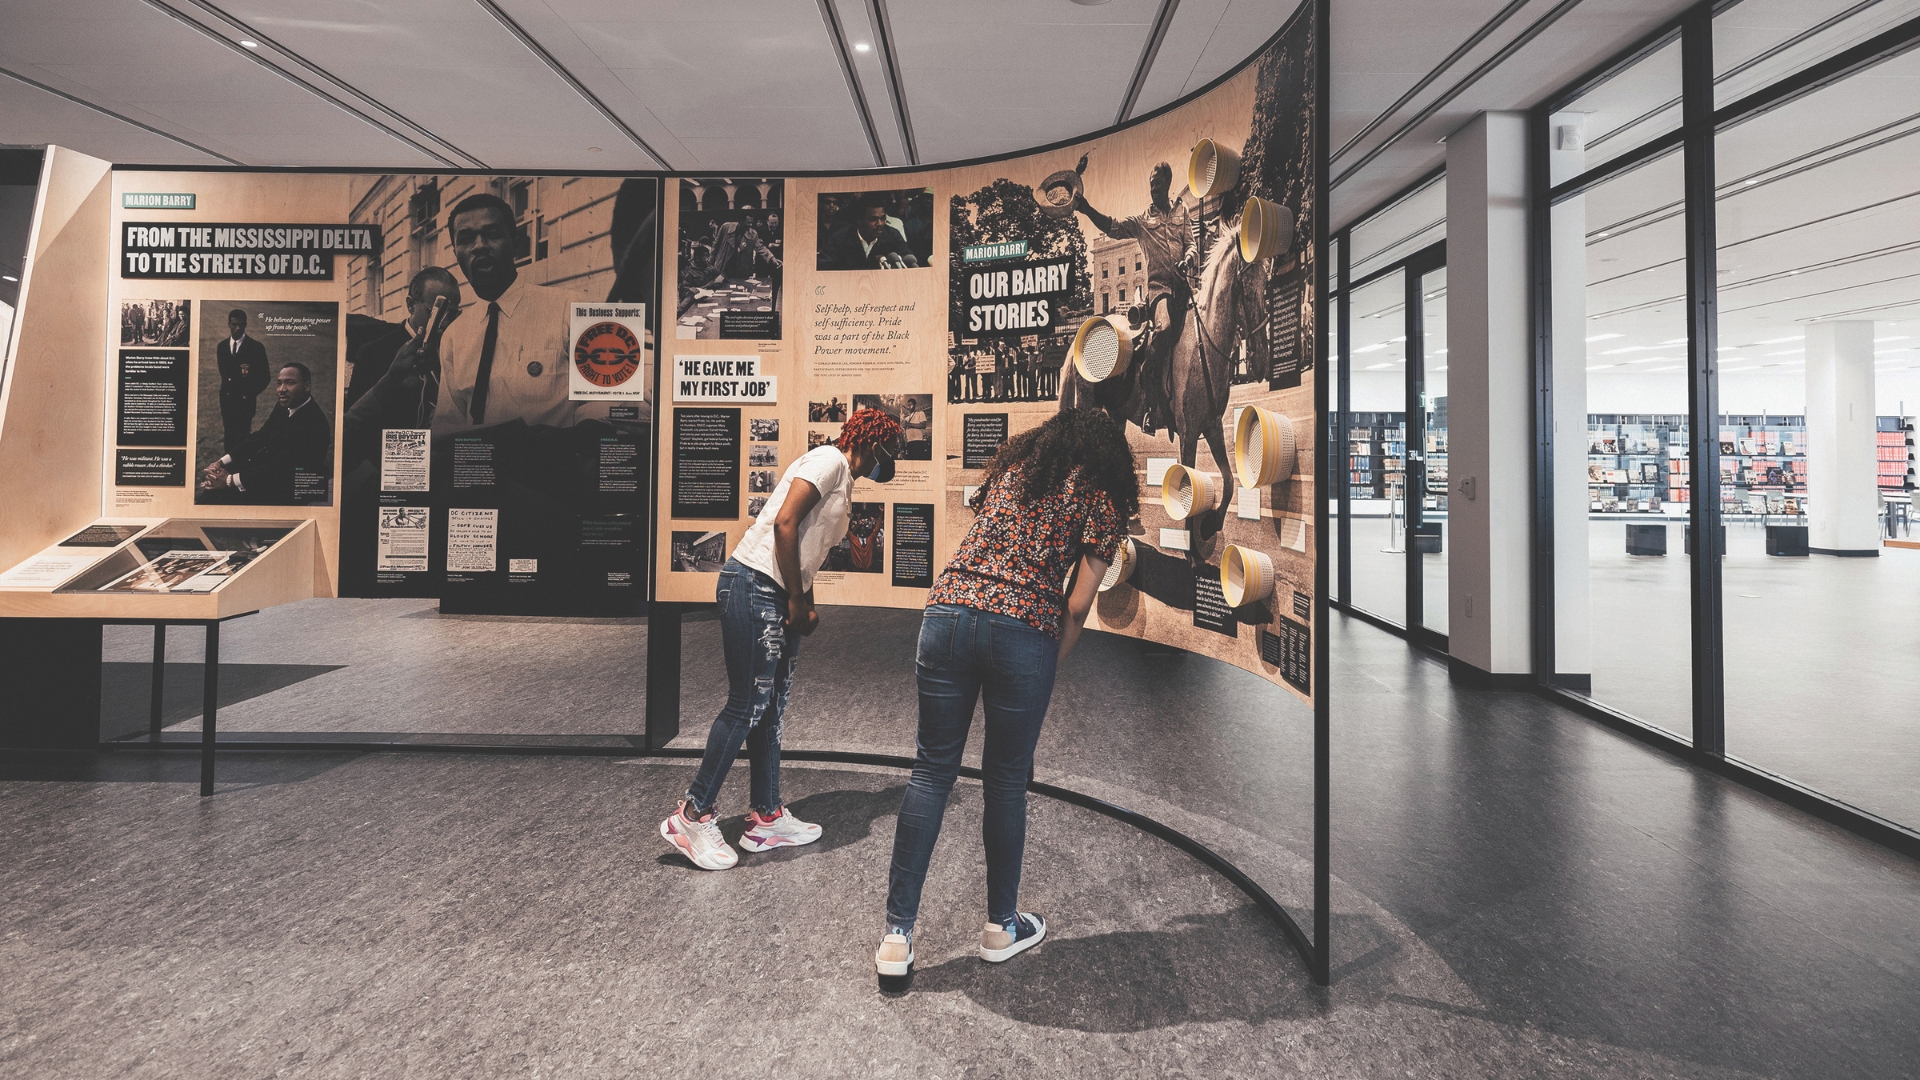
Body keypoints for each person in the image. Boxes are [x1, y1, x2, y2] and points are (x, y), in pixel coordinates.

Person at [875, 408, 1140, 978]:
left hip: (946, 613)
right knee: (1005, 782)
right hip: (1022, 628)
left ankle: (896, 937)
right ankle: (1001, 925)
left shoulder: (1017, 465)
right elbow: (1076, 606)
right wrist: (1043, 667)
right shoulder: (1101, 494)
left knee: (929, 773)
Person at [661, 407, 906, 871]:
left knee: (770, 708)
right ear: (872, 440)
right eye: (889, 449)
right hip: (754, 585)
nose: (888, 462)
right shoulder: (828, 460)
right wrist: (796, 599)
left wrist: (804, 600)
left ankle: (766, 817)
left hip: (776, 590)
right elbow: (784, 525)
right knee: (747, 704)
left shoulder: (844, 478)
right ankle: (692, 815)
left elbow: (807, 548)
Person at [1073, 162, 1197, 434]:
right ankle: (1151, 407)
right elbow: (1113, 227)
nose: (1154, 190)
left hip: (1185, 289)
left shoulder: (1182, 211)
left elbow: (1191, 245)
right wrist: (1086, 208)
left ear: (1168, 184)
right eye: (1151, 185)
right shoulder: (1142, 222)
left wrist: (1188, 259)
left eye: (1158, 185)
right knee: (1163, 331)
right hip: (1160, 292)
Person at [200, 362, 333, 504]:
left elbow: (281, 469)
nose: (282, 389)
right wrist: (221, 462)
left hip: (288, 490)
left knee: (217, 496)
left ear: (307, 386)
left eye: (290, 383)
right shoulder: (286, 405)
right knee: (213, 487)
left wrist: (229, 480)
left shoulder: (314, 424)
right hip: (268, 474)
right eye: (279, 383)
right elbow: (261, 437)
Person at [346, 267, 461, 411]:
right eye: (438, 313)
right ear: (411, 305)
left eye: (453, 314)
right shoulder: (372, 354)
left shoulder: (459, 350)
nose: (445, 323)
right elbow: (355, 421)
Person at [216, 308, 271, 453]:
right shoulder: (221, 347)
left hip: (244, 402)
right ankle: (227, 468)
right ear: (229, 324)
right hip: (227, 400)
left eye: (241, 325)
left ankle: (241, 469)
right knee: (228, 434)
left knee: (242, 437)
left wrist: (248, 393)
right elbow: (225, 374)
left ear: (245, 325)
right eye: (234, 324)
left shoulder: (256, 348)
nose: (237, 328)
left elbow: (265, 377)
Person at [820, 193, 917, 270]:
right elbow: (823, 267)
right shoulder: (839, 239)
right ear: (859, 220)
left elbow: (906, 259)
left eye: (882, 218)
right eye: (873, 219)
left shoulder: (893, 235)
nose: (880, 223)